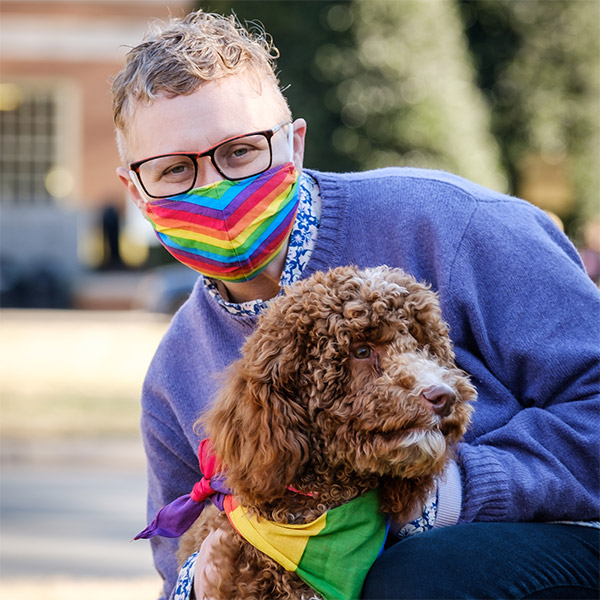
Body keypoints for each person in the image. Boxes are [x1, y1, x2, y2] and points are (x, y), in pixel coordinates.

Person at [111, 10, 599, 600]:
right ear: (137, 192)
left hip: (558, 545)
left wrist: (456, 492)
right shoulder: (175, 375)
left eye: (239, 152)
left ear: (293, 143)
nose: (213, 187)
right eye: (174, 170)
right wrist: (207, 577)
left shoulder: (450, 225)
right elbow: (175, 566)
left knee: (414, 576)